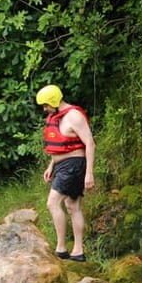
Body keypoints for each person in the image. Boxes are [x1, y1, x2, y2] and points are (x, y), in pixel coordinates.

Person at [36, 84, 95, 262]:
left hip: (74, 165)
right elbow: (60, 146)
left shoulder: (74, 116)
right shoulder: (55, 116)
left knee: (52, 203)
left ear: (54, 101)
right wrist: (50, 166)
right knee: (72, 206)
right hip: (62, 165)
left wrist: (89, 173)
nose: (44, 109)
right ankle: (78, 251)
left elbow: (90, 144)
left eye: (46, 105)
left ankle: (61, 249)